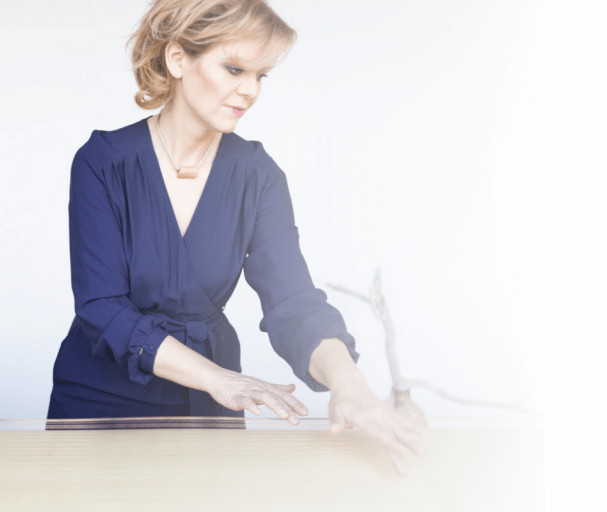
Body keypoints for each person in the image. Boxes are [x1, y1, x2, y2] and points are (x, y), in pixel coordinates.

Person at [47, 0, 425, 475]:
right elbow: (102, 309)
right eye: (234, 69)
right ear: (177, 58)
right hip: (102, 403)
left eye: (261, 75)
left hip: (208, 407)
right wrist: (217, 378)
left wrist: (351, 384)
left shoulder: (259, 176)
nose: (250, 90)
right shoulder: (103, 163)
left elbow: (294, 305)